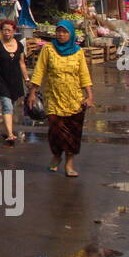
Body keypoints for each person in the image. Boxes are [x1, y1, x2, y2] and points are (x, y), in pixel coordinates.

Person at [27, 19, 93, 177]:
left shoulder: (78, 52)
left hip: (75, 100)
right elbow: (39, 71)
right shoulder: (48, 50)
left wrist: (89, 96)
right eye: (59, 31)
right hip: (54, 98)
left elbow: (84, 75)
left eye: (65, 32)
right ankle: (56, 155)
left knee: (73, 133)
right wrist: (33, 92)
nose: (61, 35)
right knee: (55, 131)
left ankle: (69, 163)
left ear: (70, 34)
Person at [0, 19, 28, 146]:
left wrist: (27, 79)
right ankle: (10, 134)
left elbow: (22, 63)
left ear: (14, 31)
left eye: (9, 30)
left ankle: (7, 129)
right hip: (2, 80)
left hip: (15, 81)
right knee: (6, 105)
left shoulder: (19, 46)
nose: (7, 32)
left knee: (12, 106)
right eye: (4, 30)